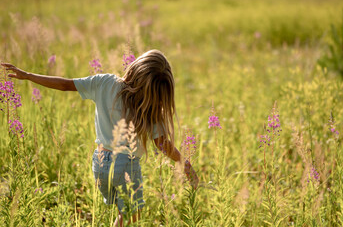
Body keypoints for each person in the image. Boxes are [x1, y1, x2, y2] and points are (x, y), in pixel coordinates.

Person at [1, 49, 199, 227]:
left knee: (124, 212)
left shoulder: (106, 83)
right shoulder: (151, 108)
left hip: (100, 163)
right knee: (133, 213)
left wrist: (28, 75)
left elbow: (64, 85)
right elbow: (163, 144)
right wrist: (185, 163)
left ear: (135, 67)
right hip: (126, 166)